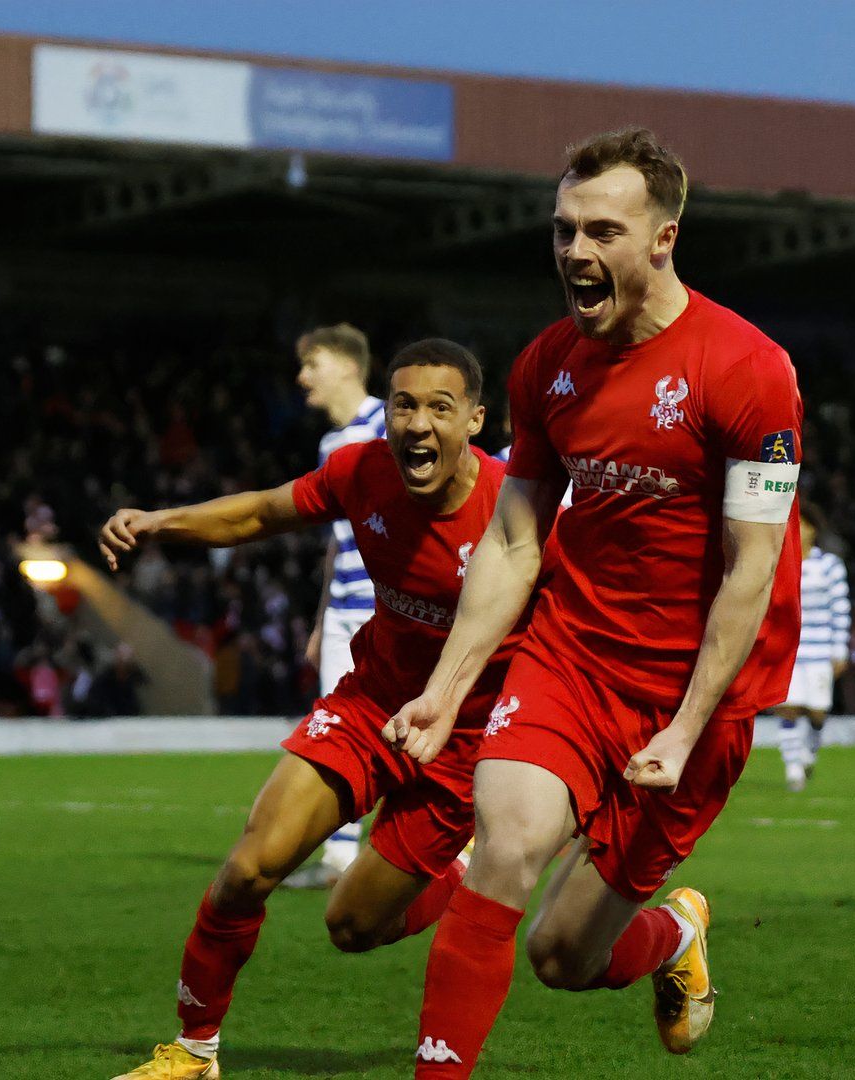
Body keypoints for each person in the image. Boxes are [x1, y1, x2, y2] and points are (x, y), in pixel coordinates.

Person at [387, 127, 803, 1076]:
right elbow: (514, 537)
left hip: (698, 693)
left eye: (603, 231)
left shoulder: (749, 371)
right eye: (565, 229)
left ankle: (673, 937)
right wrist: (451, 687)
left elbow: (751, 565)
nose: (576, 251)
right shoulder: (547, 366)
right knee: (505, 847)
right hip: (572, 659)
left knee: (563, 957)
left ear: (663, 237)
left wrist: (689, 726)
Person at [102, 340, 519, 1080]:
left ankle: (455, 872)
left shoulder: (517, 506)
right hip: (369, 707)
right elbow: (260, 514)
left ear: (476, 421)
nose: (417, 423)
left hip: (460, 739)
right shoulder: (361, 471)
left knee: (352, 927)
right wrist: (160, 521)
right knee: (246, 870)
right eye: (403, 405)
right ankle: (194, 1050)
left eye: (439, 408)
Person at [292, 322, 387, 886]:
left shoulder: (390, 422)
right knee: (334, 727)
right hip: (345, 608)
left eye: (314, 364)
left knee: (404, 727)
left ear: (349, 365)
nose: (304, 378)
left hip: (388, 606)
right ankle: (341, 856)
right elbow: (336, 538)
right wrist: (322, 616)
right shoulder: (331, 444)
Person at [772, 503, 850, 792]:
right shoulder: (780, 562)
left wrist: (840, 650)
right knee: (788, 708)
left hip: (820, 651)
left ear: (814, 530)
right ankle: (793, 767)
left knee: (817, 713)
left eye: (803, 525)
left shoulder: (829, 566)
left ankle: (809, 753)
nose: (798, 530)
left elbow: (840, 608)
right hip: (789, 650)